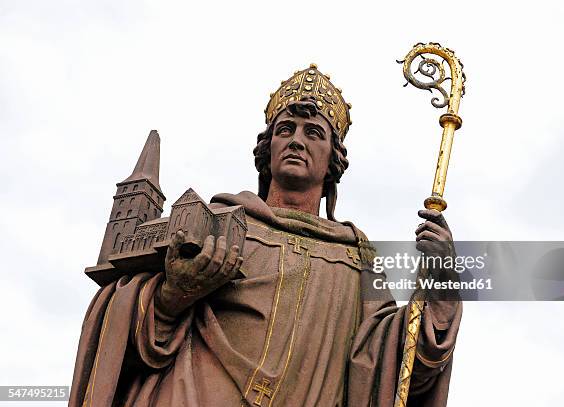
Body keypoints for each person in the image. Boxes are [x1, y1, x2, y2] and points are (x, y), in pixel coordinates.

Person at [69, 64, 461, 407]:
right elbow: (117, 318)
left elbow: (393, 366)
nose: (296, 140)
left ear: (332, 161)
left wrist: (440, 282)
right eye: (285, 130)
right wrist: (174, 296)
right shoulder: (217, 222)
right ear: (267, 149)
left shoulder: (355, 258)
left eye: (314, 133)